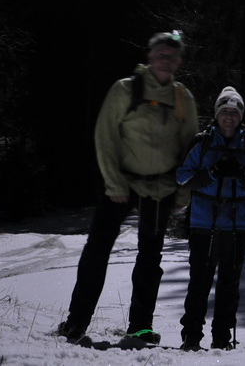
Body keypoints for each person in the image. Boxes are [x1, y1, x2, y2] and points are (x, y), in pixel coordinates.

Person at [57, 31, 198, 345]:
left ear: (179, 62)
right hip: (121, 183)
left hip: (161, 188)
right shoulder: (124, 90)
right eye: (160, 53)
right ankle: (76, 323)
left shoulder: (182, 97)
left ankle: (141, 329)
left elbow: (192, 148)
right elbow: (105, 137)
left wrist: (183, 193)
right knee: (97, 251)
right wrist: (113, 182)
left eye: (172, 56)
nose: (165, 60)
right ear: (149, 56)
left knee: (150, 259)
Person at [175, 86, 245, 351]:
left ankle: (222, 339)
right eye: (225, 112)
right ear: (217, 115)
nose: (229, 117)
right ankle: (191, 337)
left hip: (237, 224)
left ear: (240, 116)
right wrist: (212, 172)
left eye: (234, 112)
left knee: (229, 284)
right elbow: (182, 177)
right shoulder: (202, 142)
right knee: (199, 283)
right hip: (204, 223)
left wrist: (242, 174)